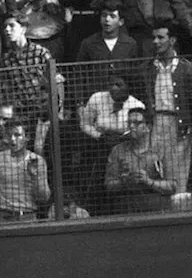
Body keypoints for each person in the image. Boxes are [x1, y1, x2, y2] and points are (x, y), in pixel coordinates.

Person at [77, 75, 146, 213]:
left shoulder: (137, 106)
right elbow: (85, 124)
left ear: (128, 87)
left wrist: (122, 139)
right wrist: (100, 136)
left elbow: (138, 132)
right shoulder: (97, 99)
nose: (113, 88)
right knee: (96, 181)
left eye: (118, 84)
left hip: (125, 147)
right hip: (100, 146)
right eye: (111, 84)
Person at [140, 23, 192, 192]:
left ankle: (178, 210)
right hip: (154, 123)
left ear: (172, 40)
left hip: (178, 123)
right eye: (153, 38)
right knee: (152, 167)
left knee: (178, 173)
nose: (155, 41)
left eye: (160, 37)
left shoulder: (186, 68)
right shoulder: (147, 68)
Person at [0, 12, 59, 153]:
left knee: (40, 149)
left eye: (12, 26)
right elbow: (6, 87)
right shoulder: (6, 59)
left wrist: (52, 107)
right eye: (5, 27)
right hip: (21, 113)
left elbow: (56, 81)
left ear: (23, 29)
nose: (7, 30)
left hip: (42, 112)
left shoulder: (40, 53)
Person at [105, 107, 178, 212]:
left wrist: (148, 181)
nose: (131, 126)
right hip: (126, 206)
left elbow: (172, 186)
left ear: (148, 127)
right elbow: (108, 184)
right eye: (129, 123)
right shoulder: (117, 150)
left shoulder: (163, 150)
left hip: (157, 207)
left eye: (136, 123)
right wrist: (124, 182)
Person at [0, 121, 52, 221]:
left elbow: (44, 197)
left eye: (17, 135)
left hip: (28, 216)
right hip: (3, 216)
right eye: (9, 135)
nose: (12, 139)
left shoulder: (36, 160)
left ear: (27, 137)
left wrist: (34, 176)